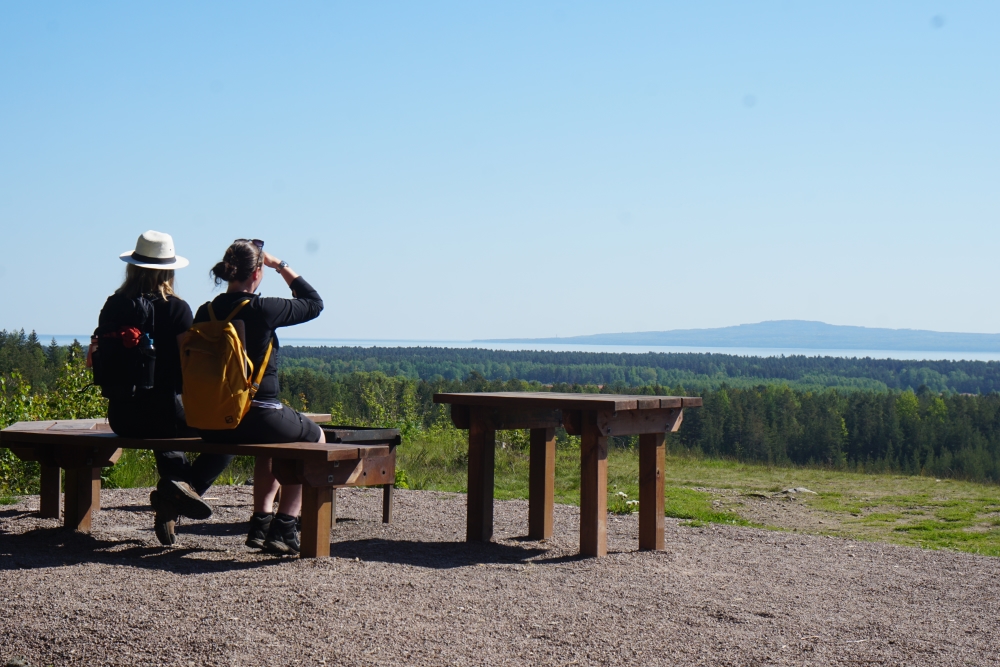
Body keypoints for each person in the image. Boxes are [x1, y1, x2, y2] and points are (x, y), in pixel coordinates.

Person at [96, 230, 234, 546]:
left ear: (133, 266)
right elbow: (192, 368)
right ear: (169, 270)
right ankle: (179, 495)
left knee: (167, 431)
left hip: (123, 415)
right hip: (165, 415)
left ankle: (175, 495)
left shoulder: (114, 305)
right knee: (230, 436)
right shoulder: (176, 309)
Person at [194, 239, 324, 555]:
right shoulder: (263, 309)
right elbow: (314, 303)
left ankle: (260, 523)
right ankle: (285, 526)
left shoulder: (205, 311)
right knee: (314, 439)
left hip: (215, 420)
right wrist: (280, 265)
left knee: (270, 447)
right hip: (257, 413)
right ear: (257, 273)